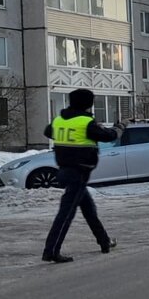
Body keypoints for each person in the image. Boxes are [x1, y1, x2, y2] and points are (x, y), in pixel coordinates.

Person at [41, 88, 118, 263]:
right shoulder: (86, 122)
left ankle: (104, 241)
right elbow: (108, 136)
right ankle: (51, 250)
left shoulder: (59, 120)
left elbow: (48, 132)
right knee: (65, 214)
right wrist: (119, 128)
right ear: (88, 103)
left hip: (65, 169)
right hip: (78, 172)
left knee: (89, 210)